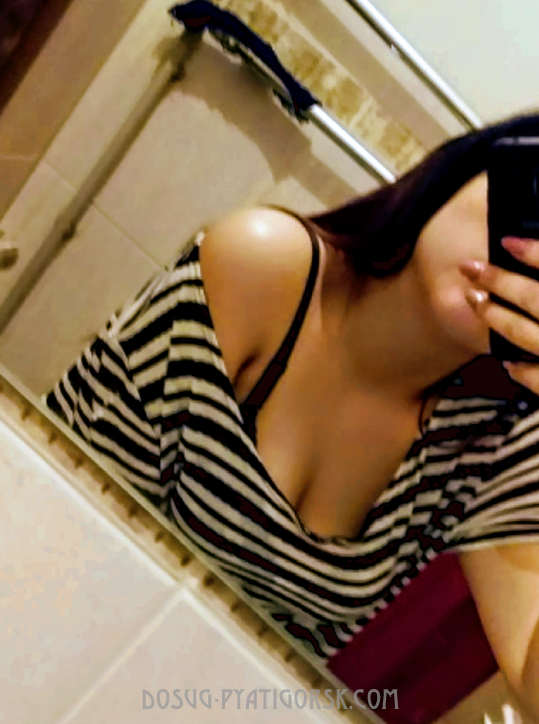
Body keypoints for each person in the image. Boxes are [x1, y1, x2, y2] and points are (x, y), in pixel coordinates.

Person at [45, 111, 539, 718]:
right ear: (463, 170)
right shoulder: (265, 265)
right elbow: (52, 489)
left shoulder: (492, 440)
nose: (525, 256)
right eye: (532, 203)